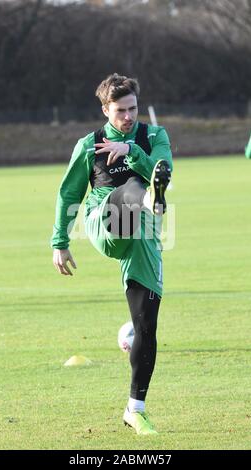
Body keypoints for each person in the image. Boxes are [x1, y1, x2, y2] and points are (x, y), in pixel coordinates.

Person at [51, 73, 173, 435]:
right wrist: (60, 241)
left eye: (133, 108)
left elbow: (163, 168)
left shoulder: (154, 136)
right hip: (104, 220)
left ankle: (135, 409)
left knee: (147, 326)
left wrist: (132, 151)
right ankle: (151, 199)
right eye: (120, 110)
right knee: (136, 187)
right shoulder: (89, 145)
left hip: (143, 237)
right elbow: (68, 194)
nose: (129, 116)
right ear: (105, 109)